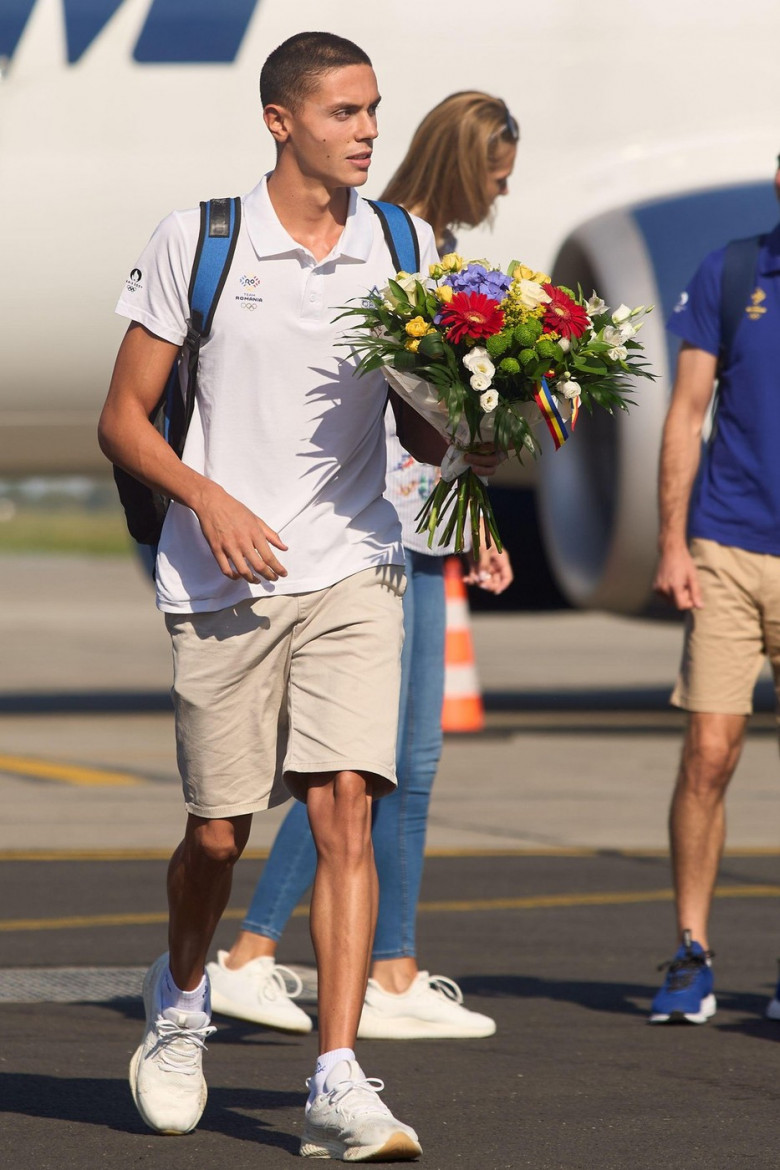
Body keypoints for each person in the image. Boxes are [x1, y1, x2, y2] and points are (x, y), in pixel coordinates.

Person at [98, 33, 500, 1160]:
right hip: (220, 574)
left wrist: (489, 418)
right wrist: (207, 501)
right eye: (343, 113)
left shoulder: (404, 240)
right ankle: (179, 1008)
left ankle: (336, 1076)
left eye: (374, 110)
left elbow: (425, 422)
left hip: (355, 564)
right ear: (281, 122)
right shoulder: (203, 237)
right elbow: (122, 419)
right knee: (220, 836)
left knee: (344, 812)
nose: (368, 130)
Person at [206, 92, 517, 1040]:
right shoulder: (409, 247)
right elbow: (407, 407)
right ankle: (265, 953)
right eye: (498, 168)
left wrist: (480, 508)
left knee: (387, 765)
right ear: (466, 161)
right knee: (371, 766)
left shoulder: (419, 239)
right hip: (389, 528)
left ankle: (382, 963)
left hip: (420, 522)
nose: (507, 186)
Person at [650, 156, 780, 1024]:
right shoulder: (732, 271)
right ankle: (691, 950)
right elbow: (687, 410)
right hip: (729, 542)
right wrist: (672, 541)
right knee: (709, 754)